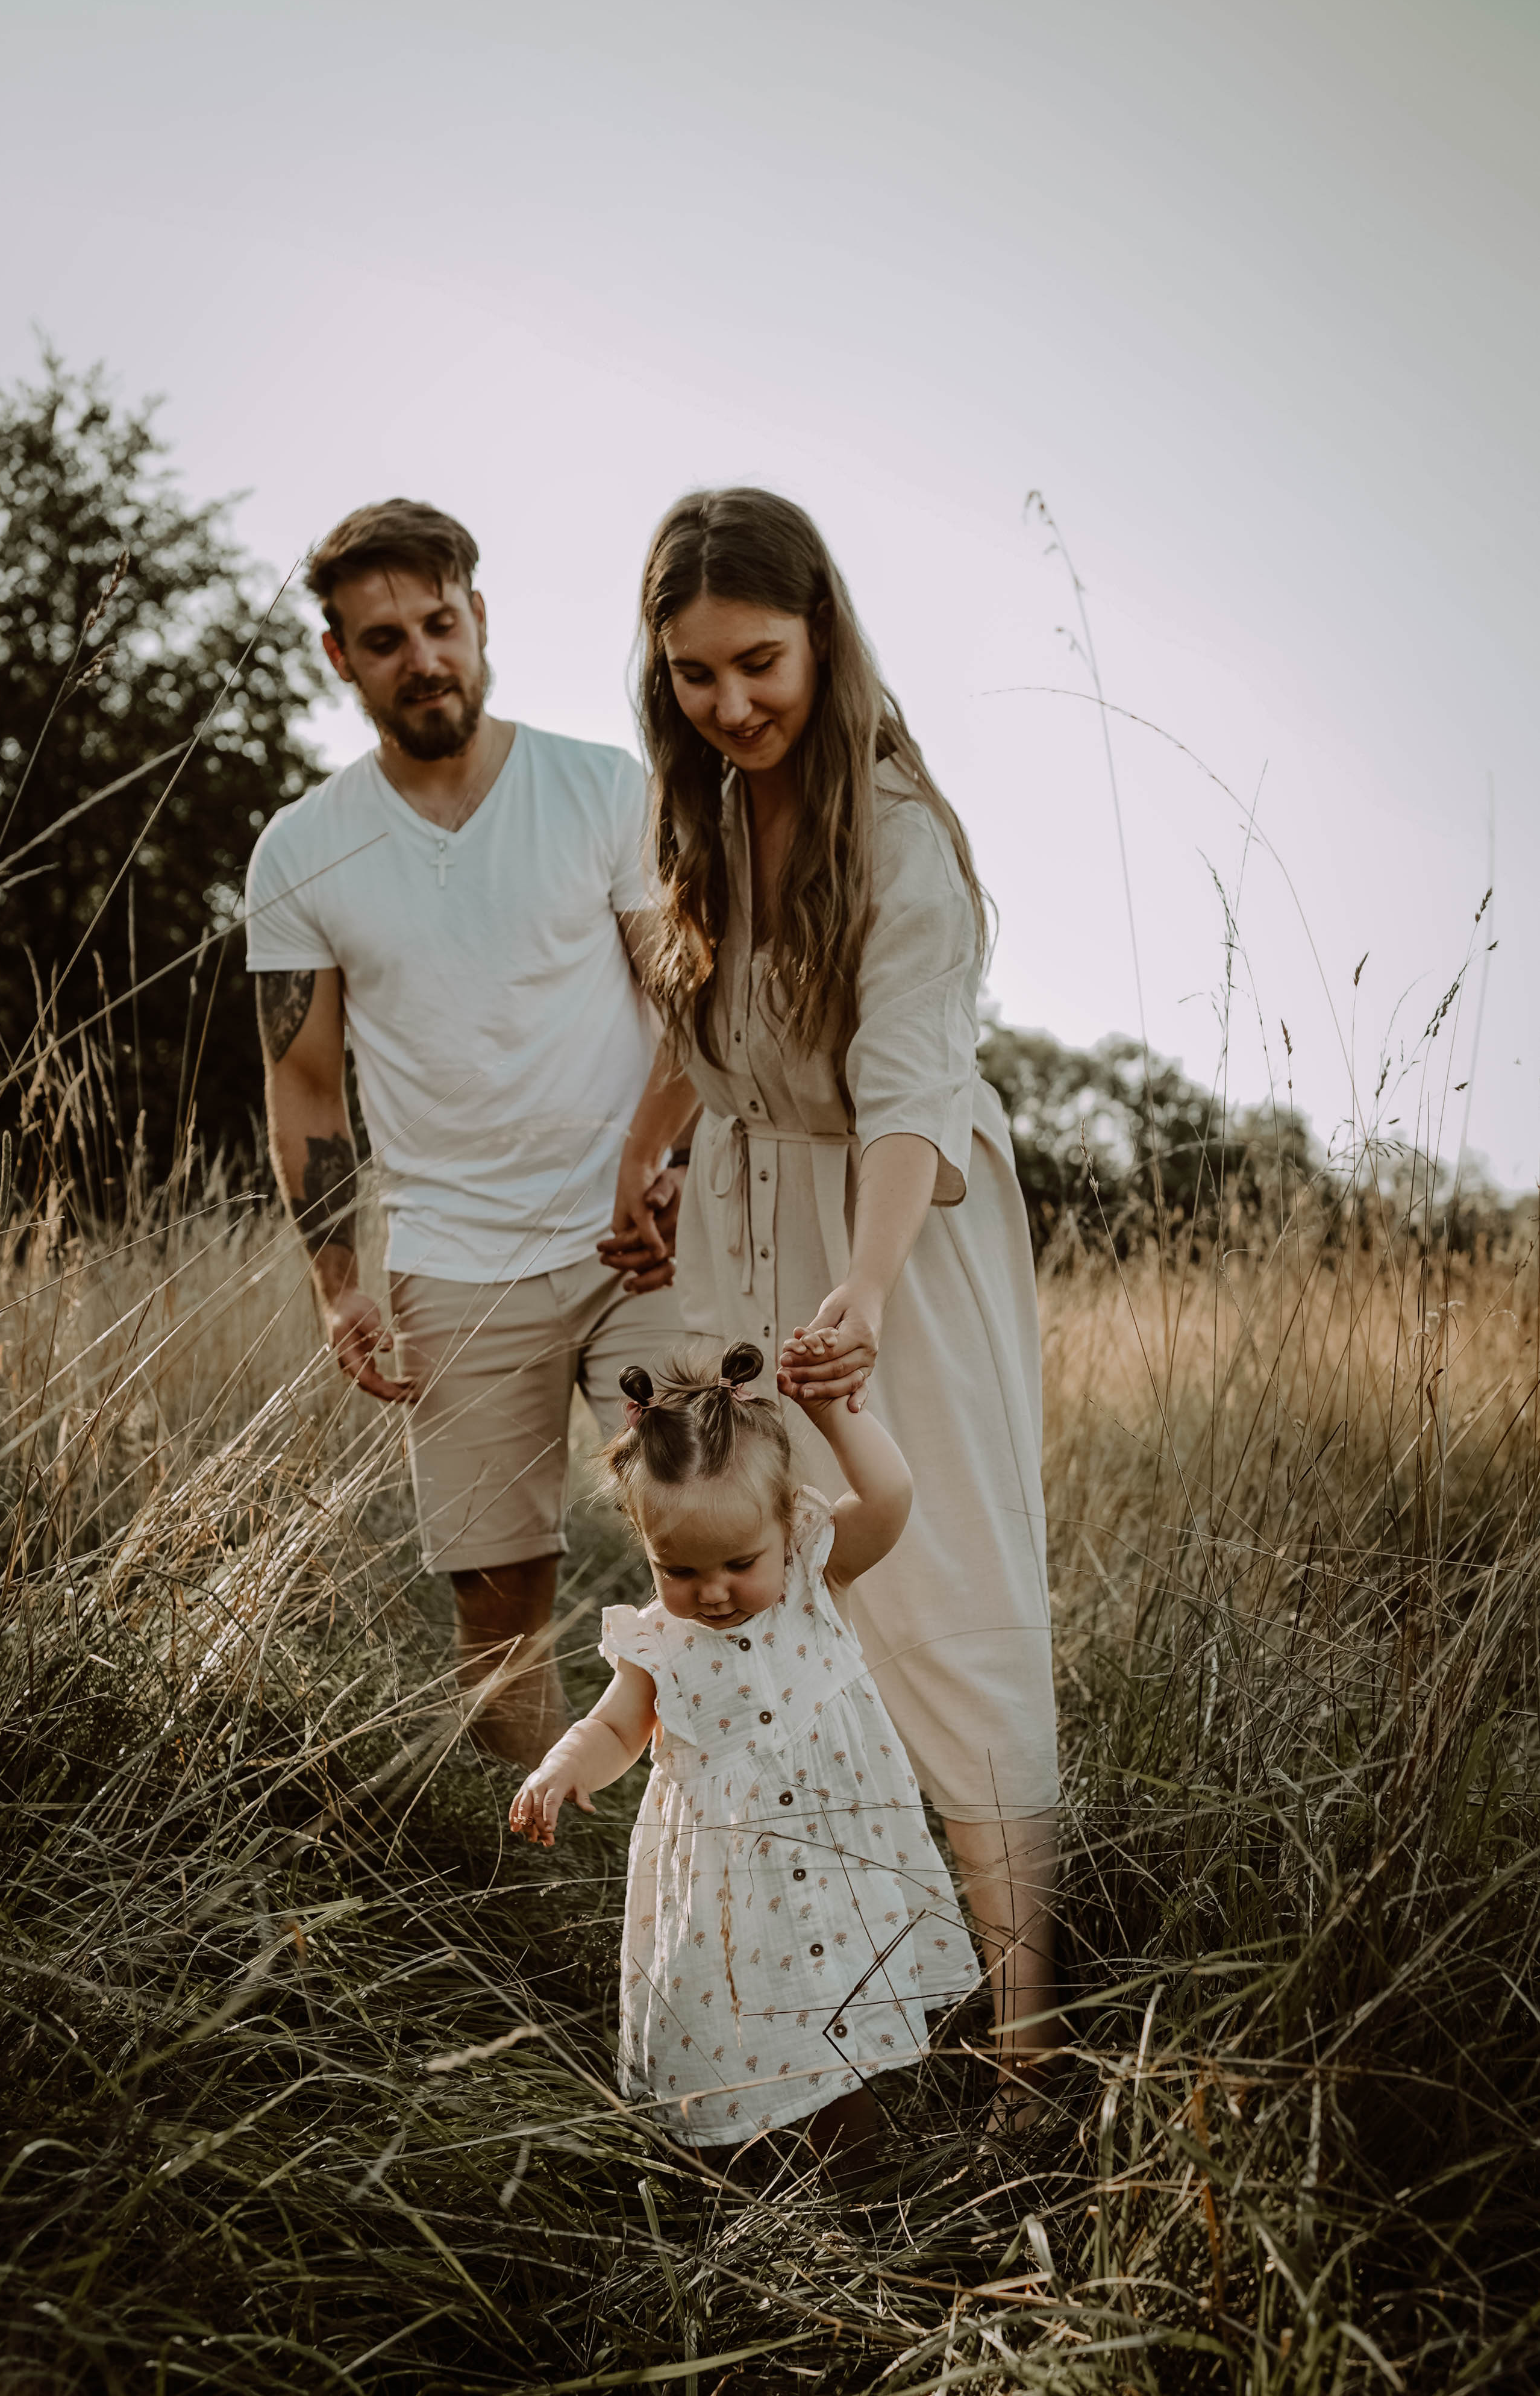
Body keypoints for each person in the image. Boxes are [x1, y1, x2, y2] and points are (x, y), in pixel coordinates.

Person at [599, 487, 1059, 2132]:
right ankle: (816, 2021)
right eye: (697, 675)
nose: (732, 704)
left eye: (760, 664)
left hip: (894, 1223)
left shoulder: (899, 838)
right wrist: (645, 1160)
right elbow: (694, 1013)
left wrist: (860, 1287)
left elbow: (908, 1092)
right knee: (770, 1591)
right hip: (738, 1212)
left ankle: (1022, 2051)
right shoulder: (707, 812)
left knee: (941, 1602)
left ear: (823, 636)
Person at [244, 499, 683, 1766]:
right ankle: (537, 1888)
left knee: (713, 1547)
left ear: (480, 619)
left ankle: (722, 1859)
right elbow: (309, 1086)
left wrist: (669, 1167)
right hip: (452, 1264)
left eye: (440, 624)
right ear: (338, 657)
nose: (421, 656)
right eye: (384, 639)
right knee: (496, 1612)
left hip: (638, 1246)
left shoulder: (602, 788)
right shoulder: (303, 851)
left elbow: (685, 1004)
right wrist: (337, 1286)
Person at [510, 1339, 978, 2187]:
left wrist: (835, 1413)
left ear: (785, 1528)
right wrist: (562, 1767)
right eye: (679, 1569)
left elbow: (890, 1495)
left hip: (839, 1869)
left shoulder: (813, 1577)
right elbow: (615, 1729)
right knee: (741, 2043)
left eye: (739, 1563)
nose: (714, 1590)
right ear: (645, 1542)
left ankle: (863, 2197)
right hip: (734, 1901)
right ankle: (744, 2193)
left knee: (843, 2032)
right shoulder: (659, 1644)